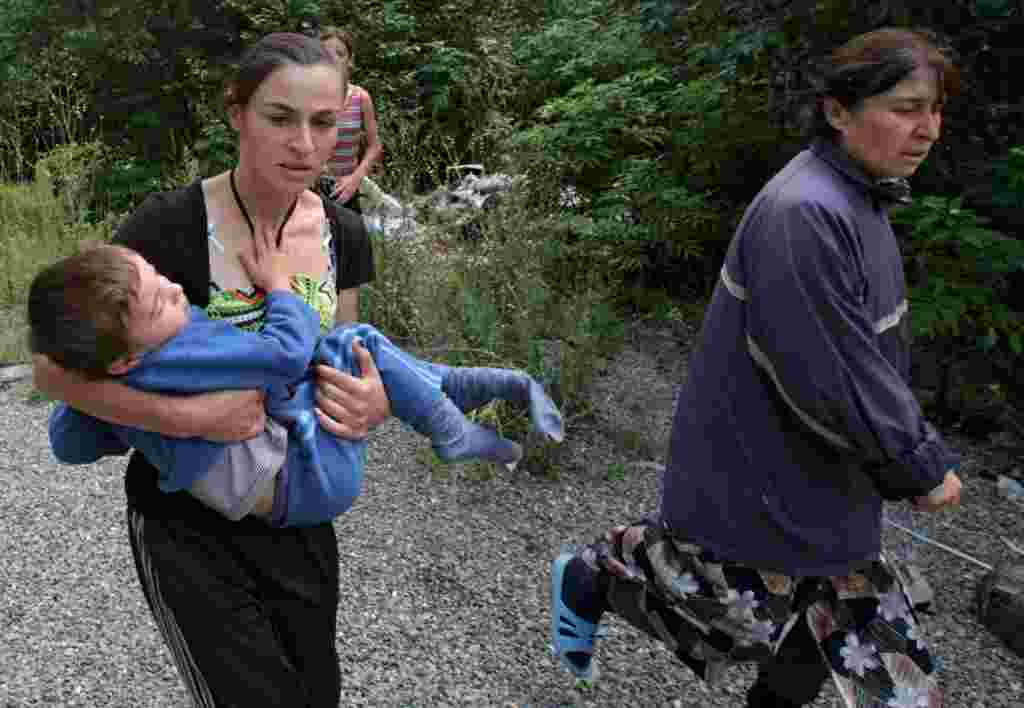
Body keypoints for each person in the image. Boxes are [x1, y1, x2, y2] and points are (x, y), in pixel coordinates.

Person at [549, 28, 963, 708]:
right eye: (906, 107)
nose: (928, 129)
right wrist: (916, 463)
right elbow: (833, 374)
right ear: (838, 111)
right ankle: (600, 572)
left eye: (935, 109)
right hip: (770, 475)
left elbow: (865, 357)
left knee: (843, 643)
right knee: (746, 618)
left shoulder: (863, 196)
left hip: (830, 483)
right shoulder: (805, 213)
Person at [31, 33, 387, 707]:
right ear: (236, 113)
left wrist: (375, 402)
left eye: (322, 123)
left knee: (316, 693)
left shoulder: (346, 233)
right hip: (186, 528)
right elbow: (53, 369)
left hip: (299, 515)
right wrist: (183, 416)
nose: (304, 146)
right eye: (280, 118)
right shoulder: (166, 224)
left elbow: (346, 356)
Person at [32, 243, 564, 526]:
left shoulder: (115, 368)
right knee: (353, 342)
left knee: (356, 351)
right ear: (124, 360)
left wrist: (79, 387)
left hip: (288, 487)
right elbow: (286, 355)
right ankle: (455, 424)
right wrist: (282, 288)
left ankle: (459, 390)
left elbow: (67, 444)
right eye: (161, 301)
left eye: (158, 275)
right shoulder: (176, 353)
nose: (175, 289)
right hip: (304, 477)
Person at [319, 26, 382, 213]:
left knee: (351, 238)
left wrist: (355, 179)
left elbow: (375, 146)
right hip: (312, 187)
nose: (332, 59)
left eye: (339, 54)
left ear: (350, 61)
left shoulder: (361, 98)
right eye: (325, 54)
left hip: (348, 187)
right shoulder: (309, 97)